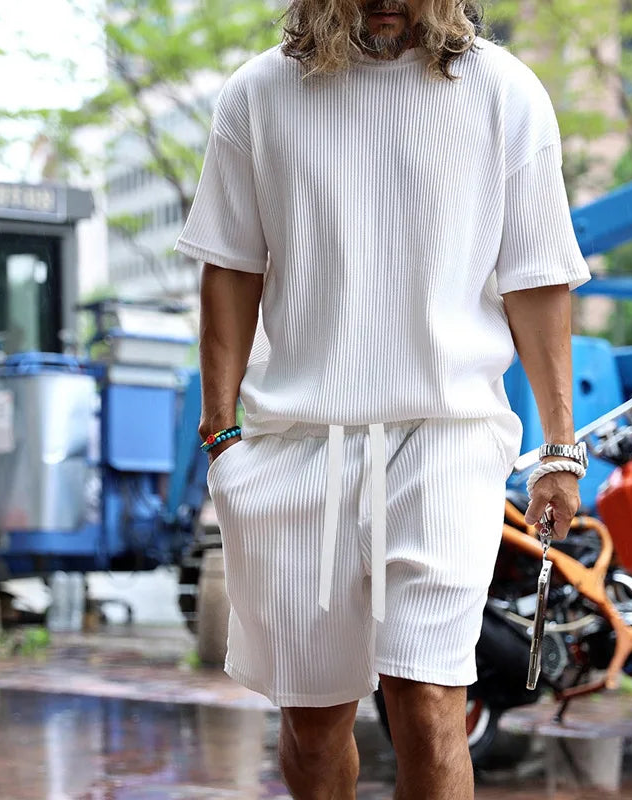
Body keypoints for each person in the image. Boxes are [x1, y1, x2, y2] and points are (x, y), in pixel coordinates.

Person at [175, 0, 590, 796]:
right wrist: (222, 433)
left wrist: (558, 450)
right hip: (294, 446)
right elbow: (229, 265)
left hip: (447, 437)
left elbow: (537, 276)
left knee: (430, 700)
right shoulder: (257, 96)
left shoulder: (505, 92)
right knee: (314, 720)